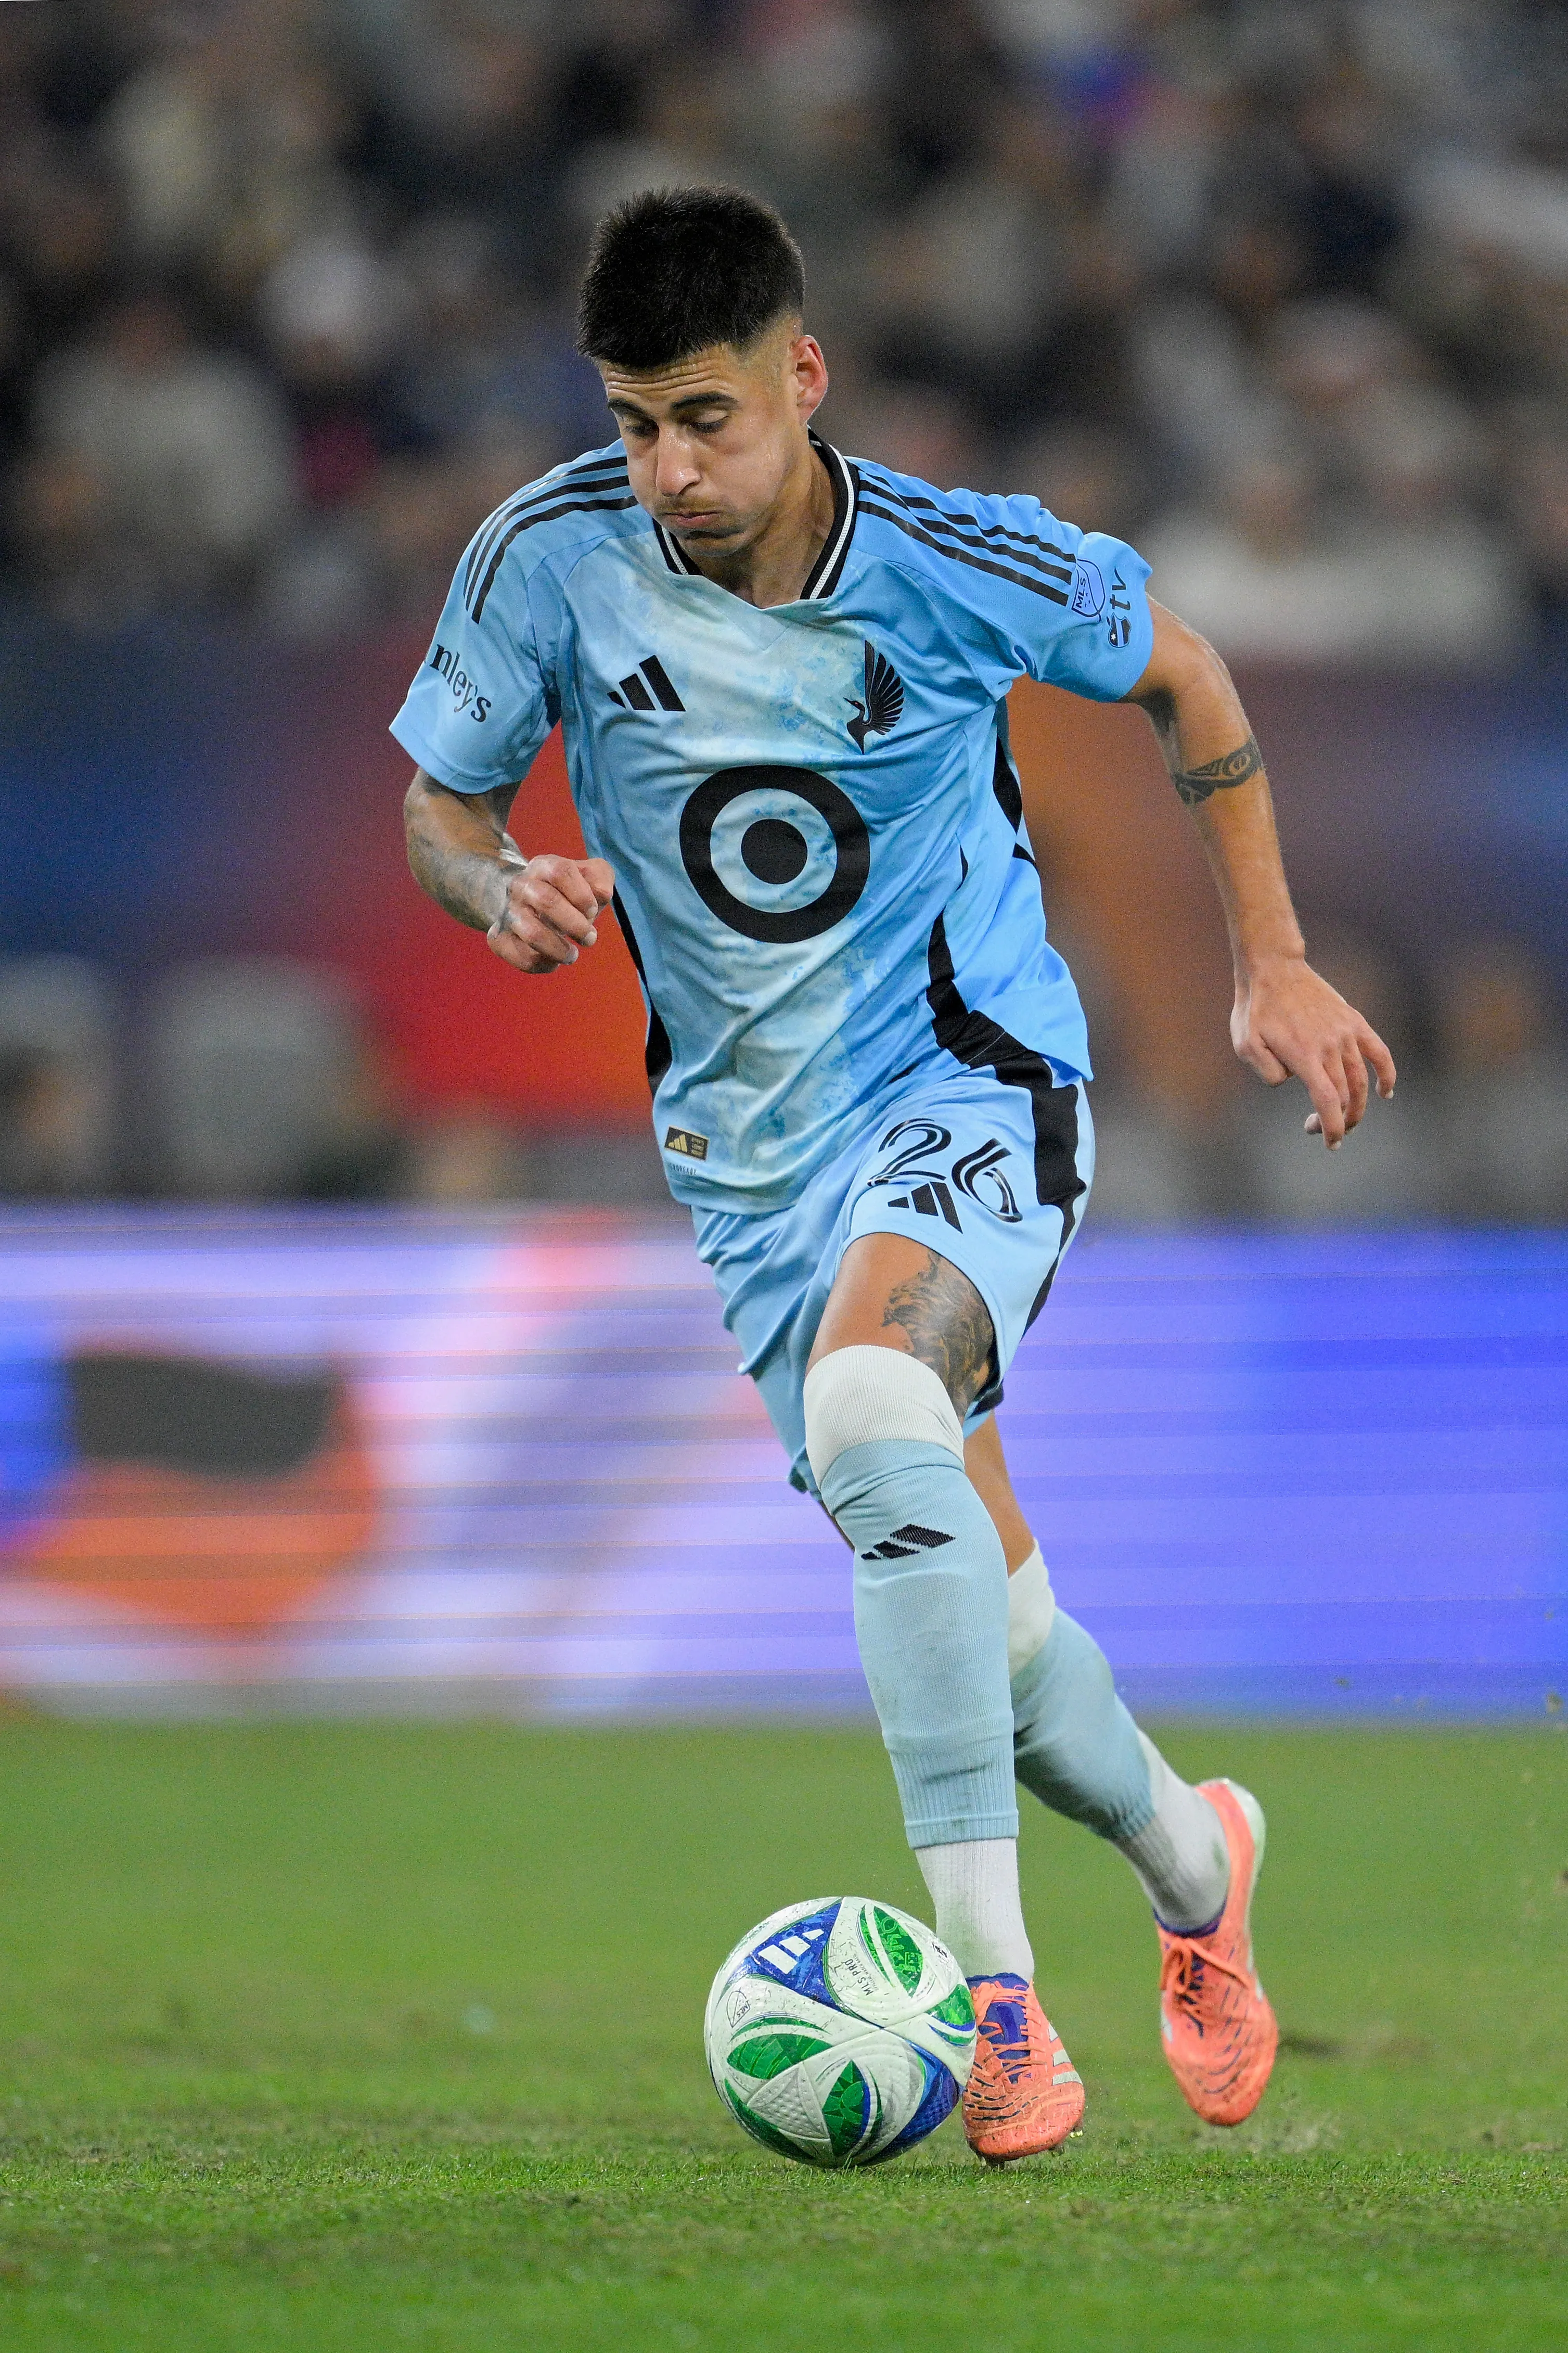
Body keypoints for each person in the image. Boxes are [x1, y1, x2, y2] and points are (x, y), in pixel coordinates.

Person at [394, 188, 1395, 2164]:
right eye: (632, 423)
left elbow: (1189, 676)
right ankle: (1201, 1874)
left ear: (802, 378)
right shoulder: (548, 561)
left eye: (707, 416)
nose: (670, 469)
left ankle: (994, 2008)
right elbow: (438, 798)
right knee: (989, 1643)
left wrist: (1265, 958)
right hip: (750, 1175)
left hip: (971, 1079)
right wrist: (491, 879)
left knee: (874, 1407)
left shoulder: (956, 559)